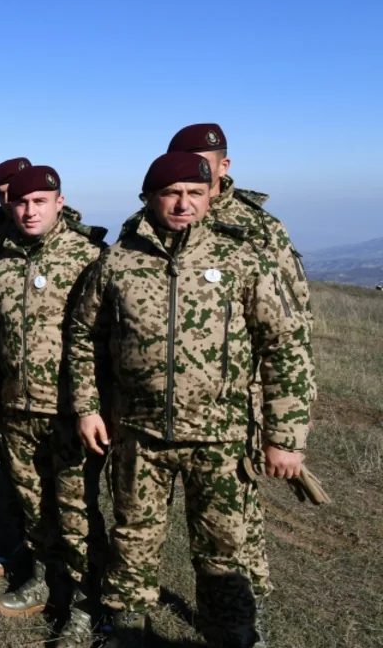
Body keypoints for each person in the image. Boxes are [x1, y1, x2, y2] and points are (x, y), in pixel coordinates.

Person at [69, 152, 315, 647]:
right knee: (133, 540)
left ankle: (232, 637)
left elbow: (286, 345)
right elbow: (83, 335)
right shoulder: (118, 260)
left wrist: (286, 438)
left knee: (223, 549)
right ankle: (127, 633)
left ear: (209, 196)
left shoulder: (243, 257)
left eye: (195, 193)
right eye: (171, 193)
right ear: (149, 198)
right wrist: (88, 406)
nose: (184, 204)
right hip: (138, 435)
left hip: (221, 438)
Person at [167, 123, 313, 623]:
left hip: (237, 406)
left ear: (224, 166)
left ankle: (245, 619)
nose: (190, 179)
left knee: (236, 522)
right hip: (161, 409)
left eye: (203, 164)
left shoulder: (258, 228)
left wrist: (286, 426)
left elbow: (291, 330)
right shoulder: (154, 218)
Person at [0, 165, 106, 645]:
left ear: (59, 203)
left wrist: (94, 406)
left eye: (40, 202)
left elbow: (106, 340)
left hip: (71, 414)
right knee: (33, 506)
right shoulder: (0, 263)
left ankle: (87, 604)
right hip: (15, 411)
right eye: (21, 203)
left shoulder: (90, 258)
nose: (29, 211)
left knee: (76, 514)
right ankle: (46, 581)